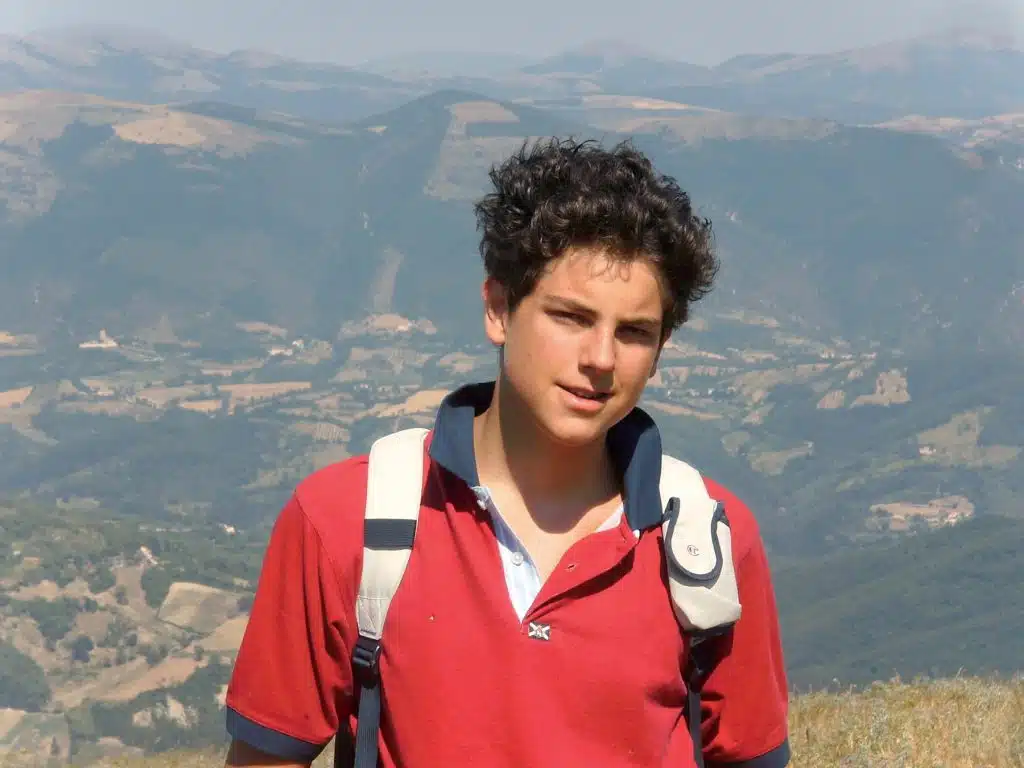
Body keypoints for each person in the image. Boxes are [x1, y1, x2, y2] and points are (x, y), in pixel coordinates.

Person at [223, 137, 790, 767]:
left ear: (660, 350)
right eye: (570, 317)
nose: (601, 358)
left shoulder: (709, 544)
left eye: (634, 332)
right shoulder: (345, 523)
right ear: (498, 309)